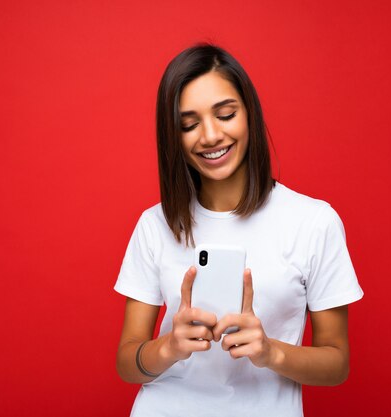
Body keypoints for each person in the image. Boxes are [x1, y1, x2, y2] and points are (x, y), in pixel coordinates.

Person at [114, 43, 363, 417]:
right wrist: (169, 347)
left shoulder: (313, 221)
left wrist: (269, 351)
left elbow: (336, 363)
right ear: (173, 137)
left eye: (226, 114)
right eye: (188, 124)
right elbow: (127, 363)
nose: (210, 135)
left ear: (249, 112)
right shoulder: (155, 225)